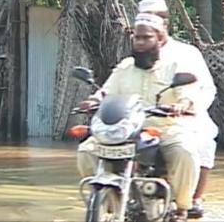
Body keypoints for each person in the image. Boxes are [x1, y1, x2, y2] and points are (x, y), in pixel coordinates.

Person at [78, 13, 202, 222]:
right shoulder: (125, 67)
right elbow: (106, 91)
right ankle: (107, 200)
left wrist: (182, 105)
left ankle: (182, 208)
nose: (141, 42)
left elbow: (188, 95)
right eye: (137, 38)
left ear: (159, 40)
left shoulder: (174, 66)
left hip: (162, 128)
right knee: (86, 150)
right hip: (124, 129)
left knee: (185, 151)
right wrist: (93, 99)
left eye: (146, 38)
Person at [137, 0, 219, 218]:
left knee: (203, 139)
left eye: (158, 18)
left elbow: (206, 89)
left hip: (184, 115)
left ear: (165, 22)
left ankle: (192, 199)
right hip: (143, 117)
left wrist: (189, 107)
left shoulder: (187, 53)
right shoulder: (136, 55)